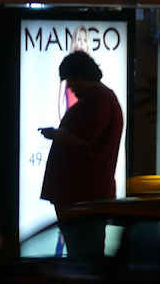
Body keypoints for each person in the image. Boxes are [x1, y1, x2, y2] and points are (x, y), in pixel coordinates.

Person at [39, 51, 123, 256]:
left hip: (83, 198)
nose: (69, 87)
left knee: (83, 257)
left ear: (80, 76)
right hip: (83, 197)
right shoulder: (100, 99)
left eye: (70, 80)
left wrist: (56, 135)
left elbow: (80, 137)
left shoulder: (99, 100)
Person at [58, 24, 90, 118]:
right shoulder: (67, 68)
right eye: (79, 39)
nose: (81, 44)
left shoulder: (92, 72)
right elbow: (60, 102)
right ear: (74, 42)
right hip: (71, 122)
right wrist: (62, 125)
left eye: (84, 40)